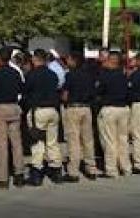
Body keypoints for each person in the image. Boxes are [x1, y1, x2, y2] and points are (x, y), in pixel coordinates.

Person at [24, 49, 62, 186]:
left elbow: (26, 92)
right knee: (52, 141)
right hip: (52, 109)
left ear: (35, 59)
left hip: (38, 110)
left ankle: (36, 172)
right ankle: (56, 169)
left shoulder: (32, 75)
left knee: (37, 142)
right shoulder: (53, 74)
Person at [0, 47, 25, 189]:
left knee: (1, 144)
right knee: (16, 143)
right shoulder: (15, 73)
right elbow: (21, 88)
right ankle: (19, 174)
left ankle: (3, 178)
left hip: (0, 108)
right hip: (14, 107)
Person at [61, 51, 99, 182]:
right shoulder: (89, 76)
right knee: (88, 140)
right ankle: (91, 168)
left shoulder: (70, 75)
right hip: (86, 108)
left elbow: (65, 95)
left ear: (74, 61)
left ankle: (73, 171)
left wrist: (64, 100)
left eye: (69, 59)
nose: (67, 62)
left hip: (73, 107)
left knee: (73, 140)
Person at [97, 51, 131, 178]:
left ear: (111, 60)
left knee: (109, 140)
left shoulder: (105, 76)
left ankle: (111, 169)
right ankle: (126, 167)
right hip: (123, 109)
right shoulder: (124, 76)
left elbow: (99, 91)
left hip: (110, 109)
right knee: (123, 140)